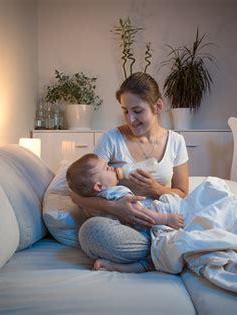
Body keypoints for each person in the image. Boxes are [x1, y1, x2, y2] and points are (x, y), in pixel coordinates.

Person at [71, 72, 189, 273]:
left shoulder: (176, 141)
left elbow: (183, 193)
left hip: (160, 220)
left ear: (157, 106)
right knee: (90, 232)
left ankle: (161, 251)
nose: (131, 119)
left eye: (137, 111)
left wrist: (156, 188)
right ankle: (166, 253)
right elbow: (77, 193)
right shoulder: (112, 139)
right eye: (125, 111)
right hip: (125, 227)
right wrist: (116, 208)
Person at [66, 153, 185, 230]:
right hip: (143, 226)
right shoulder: (117, 192)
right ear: (99, 186)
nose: (112, 167)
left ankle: (123, 266)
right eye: (107, 168)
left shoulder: (95, 202)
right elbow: (142, 212)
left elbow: (183, 192)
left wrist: (155, 187)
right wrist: (166, 219)